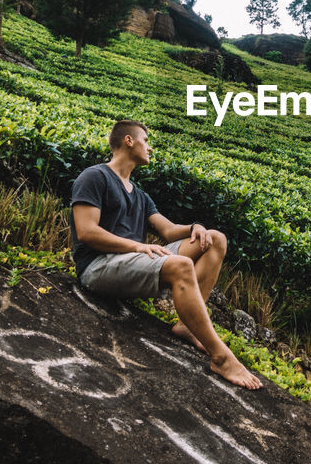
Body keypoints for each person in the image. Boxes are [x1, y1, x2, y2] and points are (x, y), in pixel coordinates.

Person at [71, 119, 262, 390]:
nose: (150, 148)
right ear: (129, 141)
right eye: (146, 141)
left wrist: (195, 227)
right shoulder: (95, 176)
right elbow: (87, 232)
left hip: (128, 262)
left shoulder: (139, 194)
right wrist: (138, 246)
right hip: (98, 266)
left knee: (215, 239)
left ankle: (186, 325)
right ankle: (221, 357)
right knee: (181, 265)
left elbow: (169, 231)